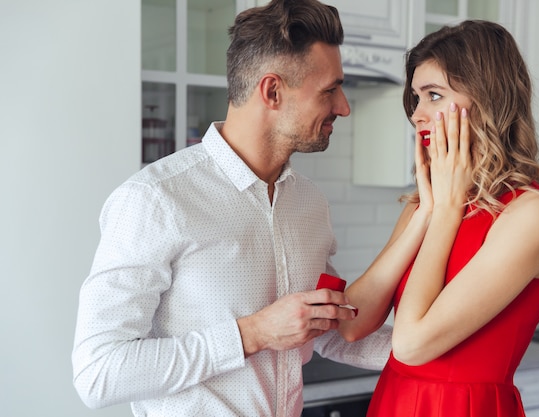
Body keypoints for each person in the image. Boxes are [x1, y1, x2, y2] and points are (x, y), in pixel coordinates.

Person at [71, 1, 391, 416]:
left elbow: (324, 332)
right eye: (330, 89)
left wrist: (448, 345)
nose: (344, 106)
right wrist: (252, 333)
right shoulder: (155, 200)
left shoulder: (309, 204)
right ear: (272, 90)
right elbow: (98, 373)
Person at [337, 20, 539, 417]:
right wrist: (429, 210)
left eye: (434, 95)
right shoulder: (427, 202)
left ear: (488, 98)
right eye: (416, 97)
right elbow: (352, 324)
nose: (417, 115)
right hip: (394, 401)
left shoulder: (533, 215)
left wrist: (444, 212)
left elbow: (411, 344)